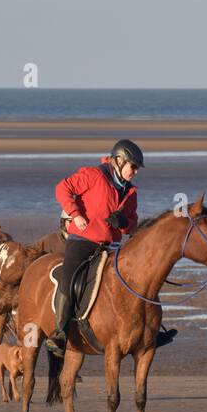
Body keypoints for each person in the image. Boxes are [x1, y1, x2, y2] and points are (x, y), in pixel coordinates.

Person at [48, 139, 143, 356]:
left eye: (137, 168)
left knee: (138, 279)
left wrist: (124, 223)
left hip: (113, 247)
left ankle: (147, 332)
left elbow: (134, 223)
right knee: (69, 277)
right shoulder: (93, 175)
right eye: (133, 166)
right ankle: (60, 333)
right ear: (119, 161)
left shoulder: (131, 192)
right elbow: (62, 189)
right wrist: (76, 215)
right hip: (83, 241)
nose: (135, 172)